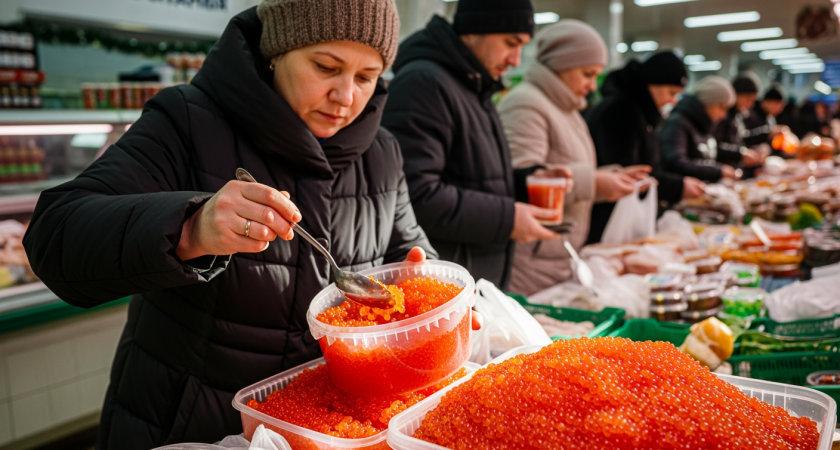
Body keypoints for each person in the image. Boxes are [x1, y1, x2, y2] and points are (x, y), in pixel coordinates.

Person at [22, 1, 440, 448]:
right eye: (325, 67)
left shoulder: (383, 150)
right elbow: (54, 235)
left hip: (327, 429)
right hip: (191, 424)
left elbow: (409, 248)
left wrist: (429, 291)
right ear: (276, 51)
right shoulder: (187, 120)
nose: (346, 96)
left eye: (365, 76)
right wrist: (189, 228)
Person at [382, 0, 568, 289]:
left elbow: (474, 177)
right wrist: (508, 219)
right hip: (443, 285)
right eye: (511, 42)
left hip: (475, 280)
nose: (516, 60)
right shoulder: (424, 84)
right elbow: (414, 195)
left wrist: (526, 180)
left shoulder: (475, 85)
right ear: (473, 30)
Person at [497, 20, 650, 296]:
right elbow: (522, 179)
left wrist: (610, 177)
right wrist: (594, 183)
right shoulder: (526, 104)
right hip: (531, 263)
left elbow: (565, 168)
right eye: (587, 74)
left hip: (558, 256)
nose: (593, 86)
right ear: (560, 65)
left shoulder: (566, 108)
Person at [585, 51, 703, 245]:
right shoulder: (621, 111)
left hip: (621, 218)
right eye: (671, 93)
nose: (673, 101)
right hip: (607, 222)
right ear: (651, 84)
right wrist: (678, 186)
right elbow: (627, 172)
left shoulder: (642, 114)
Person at [660, 76, 763, 183]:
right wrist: (718, 171)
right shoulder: (678, 123)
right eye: (722, 107)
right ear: (708, 102)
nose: (723, 115)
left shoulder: (706, 124)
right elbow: (675, 162)